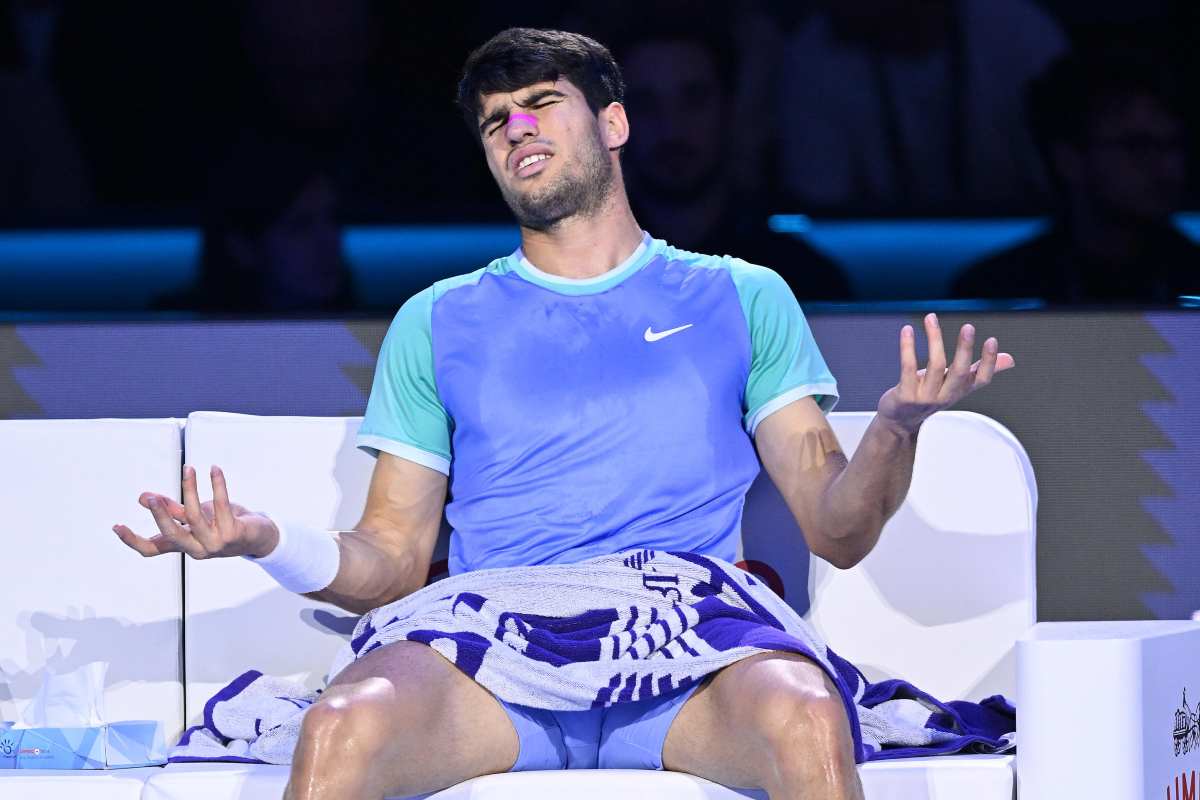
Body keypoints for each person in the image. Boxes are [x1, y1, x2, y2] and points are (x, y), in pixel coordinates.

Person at [113, 28, 1014, 800]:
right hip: (487, 639)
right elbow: (389, 566)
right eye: (497, 120)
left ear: (613, 124)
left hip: (683, 636)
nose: (518, 128)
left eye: (542, 102)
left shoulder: (741, 294)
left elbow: (839, 528)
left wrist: (895, 429)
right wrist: (269, 541)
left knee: (811, 723)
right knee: (340, 730)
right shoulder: (436, 319)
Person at [615, 19, 853, 301]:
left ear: (729, 109)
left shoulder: (802, 277)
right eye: (646, 104)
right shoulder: (579, 276)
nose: (671, 128)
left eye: (694, 99)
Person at [953, 48, 1200, 304]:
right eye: (1138, 145)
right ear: (1069, 159)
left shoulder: (1193, 277)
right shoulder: (996, 291)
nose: (1169, 166)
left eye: (1173, 144)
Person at [777, 0, 1066, 214]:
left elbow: (1064, 175)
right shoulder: (813, 55)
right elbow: (819, 207)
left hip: (1027, 256)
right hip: (875, 264)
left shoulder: (1017, 30)